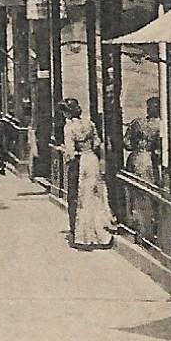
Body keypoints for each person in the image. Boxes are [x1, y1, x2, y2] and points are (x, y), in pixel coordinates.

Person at [60, 99, 99, 239]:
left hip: (79, 163)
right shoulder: (90, 123)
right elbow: (97, 143)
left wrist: (65, 152)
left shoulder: (69, 127)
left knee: (76, 196)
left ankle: (78, 231)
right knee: (93, 195)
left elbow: (70, 152)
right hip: (92, 160)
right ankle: (97, 229)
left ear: (67, 113)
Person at [72, 133, 116, 250]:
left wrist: (81, 191)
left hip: (88, 186)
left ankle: (87, 238)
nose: (80, 145)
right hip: (94, 186)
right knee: (95, 211)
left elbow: (82, 177)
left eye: (82, 143)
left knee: (87, 210)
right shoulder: (93, 157)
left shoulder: (85, 158)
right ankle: (99, 237)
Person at [123, 96, 162, 184]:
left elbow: (126, 143)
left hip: (135, 158)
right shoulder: (161, 125)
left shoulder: (137, 122)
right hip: (149, 161)